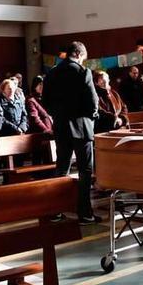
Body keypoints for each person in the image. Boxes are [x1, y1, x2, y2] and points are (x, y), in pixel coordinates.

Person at [42, 41, 99, 224]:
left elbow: (46, 102)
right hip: (81, 128)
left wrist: (58, 115)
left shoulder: (51, 73)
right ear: (79, 54)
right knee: (85, 171)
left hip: (61, 127)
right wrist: (91, 116)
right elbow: (92, 102)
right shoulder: (83, 72)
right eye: (83, 57)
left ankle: (57, 210)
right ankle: (84, 213)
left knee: (61, 169)